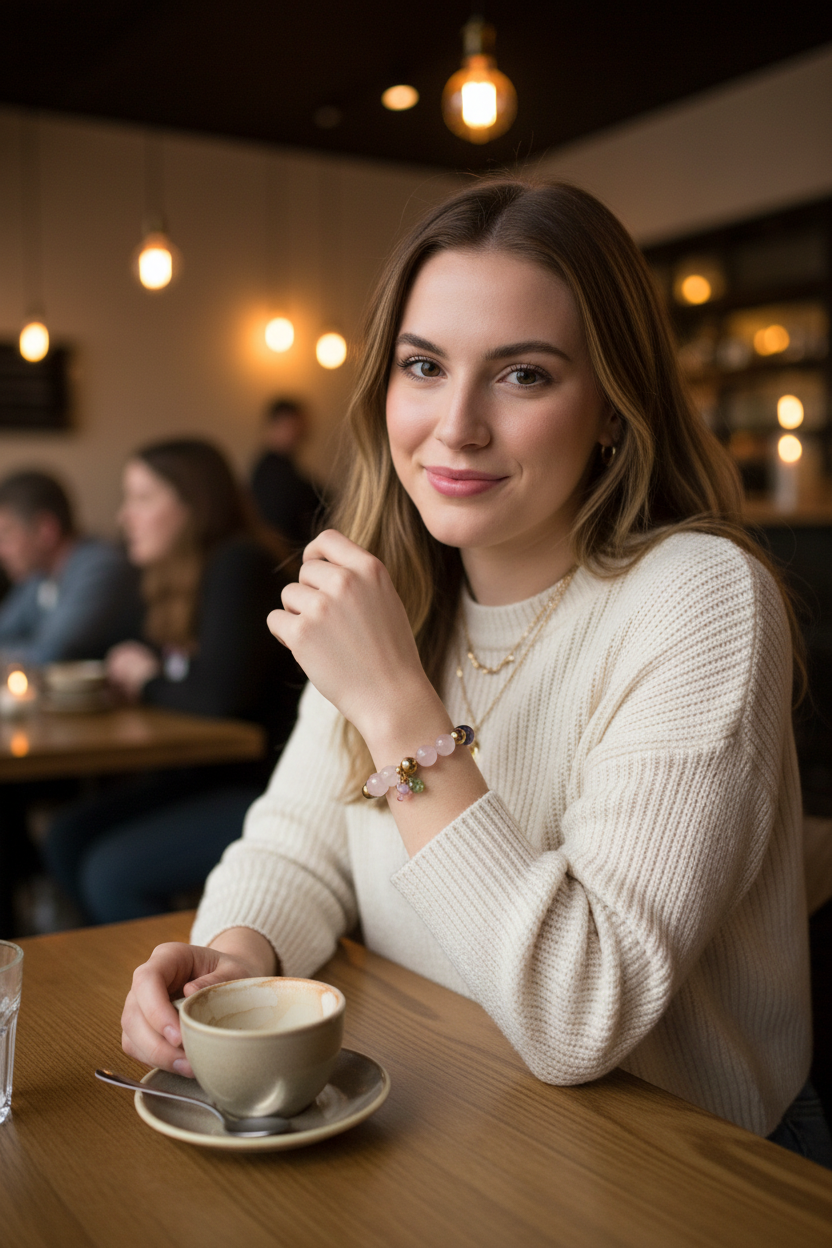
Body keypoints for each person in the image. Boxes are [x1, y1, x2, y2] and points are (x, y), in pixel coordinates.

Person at [120, 181, 830, 1168]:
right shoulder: (397, 592)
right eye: (423, 366)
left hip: (691, 1167)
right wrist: (234, 959)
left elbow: (580, 1015)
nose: (455, 426)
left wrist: (400, 713)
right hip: (454, 1118)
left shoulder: (699, 598)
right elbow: (298, 844)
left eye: (523, 376)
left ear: (613, 409)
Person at [43, 438, 303, 925]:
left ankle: (166, 984)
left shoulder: (238, 565)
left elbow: (216, 697)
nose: (124, 517)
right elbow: (96, 651)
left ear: (192, 504)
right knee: (67, 836)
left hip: (268, 786)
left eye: (142, 499)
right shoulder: (171, 576)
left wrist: (146, 681)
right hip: (201, 775)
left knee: (109, 873)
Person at [0, 470, 140, 664]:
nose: (2, 551)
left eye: (6, 536)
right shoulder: (38, 575)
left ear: (45, 530)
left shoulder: (101, 568)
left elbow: (51, 654)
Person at [250, 398, 324, 548]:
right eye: (294, 425)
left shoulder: (286, 468)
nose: (302, 434)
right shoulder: (272, 473)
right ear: (276, 424)